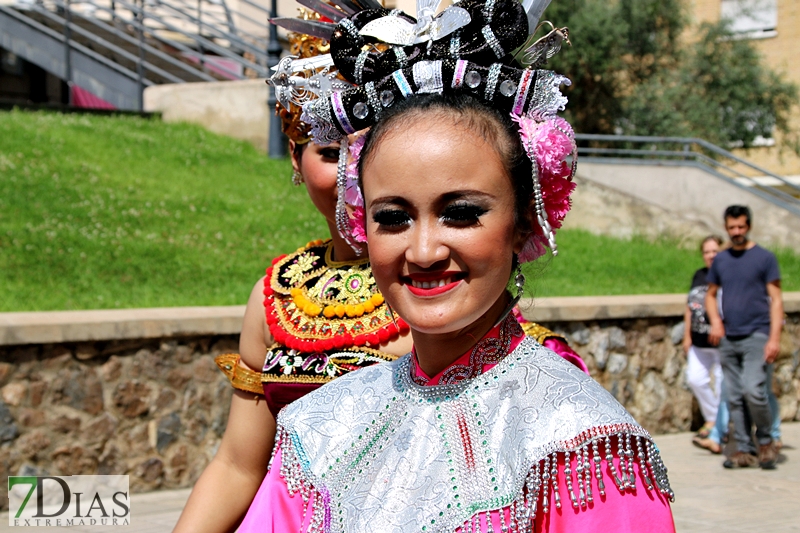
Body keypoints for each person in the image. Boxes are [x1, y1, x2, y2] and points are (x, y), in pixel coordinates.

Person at [238, 1, 675, 530]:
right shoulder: (318, 428)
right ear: (360, 223)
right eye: (393, 217)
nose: (423, 251)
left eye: (461, 214)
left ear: (523, 222)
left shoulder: (579, 443)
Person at [173, 11, 584, 531]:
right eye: (329, 151)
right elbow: (239, 464)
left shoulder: (442, 296)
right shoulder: (278, 292)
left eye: (459, 212)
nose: (426, 250)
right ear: (296, 164)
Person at [706, 205, 783, 470]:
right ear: (726, 228)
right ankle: (743, 449)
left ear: (748, 226)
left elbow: (776, 300)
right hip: (730, 336)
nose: (736, 232)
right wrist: (716, 322)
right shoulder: (722, 260)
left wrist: (774, 338)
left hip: (757, 335)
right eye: (731, 228)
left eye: (740, 227)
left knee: (754, 390)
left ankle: (766, 440)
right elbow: (710, 294)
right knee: (734, 396)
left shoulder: (764, 258)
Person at [683, 235, 725, 453]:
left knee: (720, 384)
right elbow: (690, 305)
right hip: (699, 342)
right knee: (695, 379)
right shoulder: (699, 275)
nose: (710, 255)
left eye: (714, 251)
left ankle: (718, 427)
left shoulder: (728, 275)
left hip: (720, 342)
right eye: (707, 252)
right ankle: (712, 419)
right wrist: (687, 335)